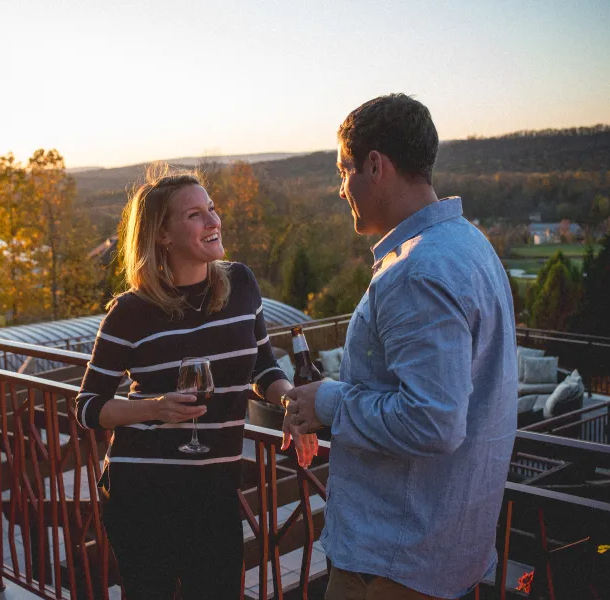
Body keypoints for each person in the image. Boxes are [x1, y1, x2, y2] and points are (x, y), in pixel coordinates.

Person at [282, 94, 517, 599]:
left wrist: (327, 401)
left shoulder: (418, 271)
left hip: (393, 563)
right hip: (438, 550)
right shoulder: (469, 245)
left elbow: (432, 420)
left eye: (343, 170)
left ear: (375, 165)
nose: (340, 187)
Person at [74, 165, 318, 600]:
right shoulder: (130, 311)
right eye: (194, 215)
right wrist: (154, 408)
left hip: (215, 490)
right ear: (162, 235)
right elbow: (88, 407)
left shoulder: (241, 284)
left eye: (212, 209)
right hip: (143, 493)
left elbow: (264, 368)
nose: (213, 221)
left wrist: (290, 405)